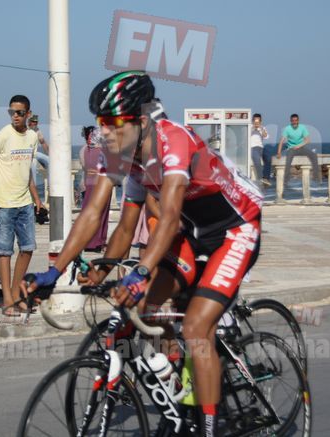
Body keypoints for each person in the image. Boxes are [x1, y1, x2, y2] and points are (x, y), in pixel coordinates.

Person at [24, 71, 263, 436]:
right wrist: (57, 272)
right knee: (144, 309)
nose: (104, 131)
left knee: (197, 327)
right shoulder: (120, 155)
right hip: (192, 233)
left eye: (113, 122)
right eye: (100, 122)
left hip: (235, 229)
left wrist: (139, 272)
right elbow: (102, 218)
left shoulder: (173, 141)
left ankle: (209, 427)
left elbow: (168, 218)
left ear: (141, 119)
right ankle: (178, 386)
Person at [0, 95, 42, 316]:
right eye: (11, 112)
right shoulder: (3, 135)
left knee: (28, 248)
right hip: (2, 202)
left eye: (19, 112)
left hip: (24, 202)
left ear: (28, 114)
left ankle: (16, 293)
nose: (15, 116)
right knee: (4, 251)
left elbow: (27, 170)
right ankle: (7, 298)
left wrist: (36, 197)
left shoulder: (32, 137)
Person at [79, 126, 110, 252]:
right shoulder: (103, 151)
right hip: (102, 184)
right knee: (101, 214)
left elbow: (85, 167)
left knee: (89, 213)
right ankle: (98, 242)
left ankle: (87, 241)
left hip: (89, 184)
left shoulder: (84, 150)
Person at [275, 113, 321, 194]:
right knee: (288, 160)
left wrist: (299, 146)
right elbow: (281, 141)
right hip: (291, 149)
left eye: (296, 120)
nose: (294, 122)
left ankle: (316, 177)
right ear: (290, 121)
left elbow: (308, 140)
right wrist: (278, 152)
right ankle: (286, 180)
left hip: (301, 147)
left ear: (298, 121)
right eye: (293, 120)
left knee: (313, 155)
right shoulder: (287, 129)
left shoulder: (302, 127)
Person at [27, 114, 49, 186]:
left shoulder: (37, 130)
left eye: (36, 122)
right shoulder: (25, 130)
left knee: (50, 161)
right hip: (27, 155)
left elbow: (43, 142)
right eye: (33, 122)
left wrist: (49, 154)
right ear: (29, 122)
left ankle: (51, 184)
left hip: (35, 154)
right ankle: (33, 187)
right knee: (33, 168)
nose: (35, 123)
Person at [250, 113, 269, 187]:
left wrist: (260, 128)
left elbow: (266, 136)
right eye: (255, 121)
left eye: (258, 121)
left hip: (261, 147)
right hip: (252, 147)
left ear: (260, 121)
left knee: (268, 158)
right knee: (257, 159)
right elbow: (246, 134)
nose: (256, 123)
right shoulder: (249, 127)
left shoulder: (262, 128)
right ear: (252, 120)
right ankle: (260, 178)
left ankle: (266, 177)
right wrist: (253, 128)